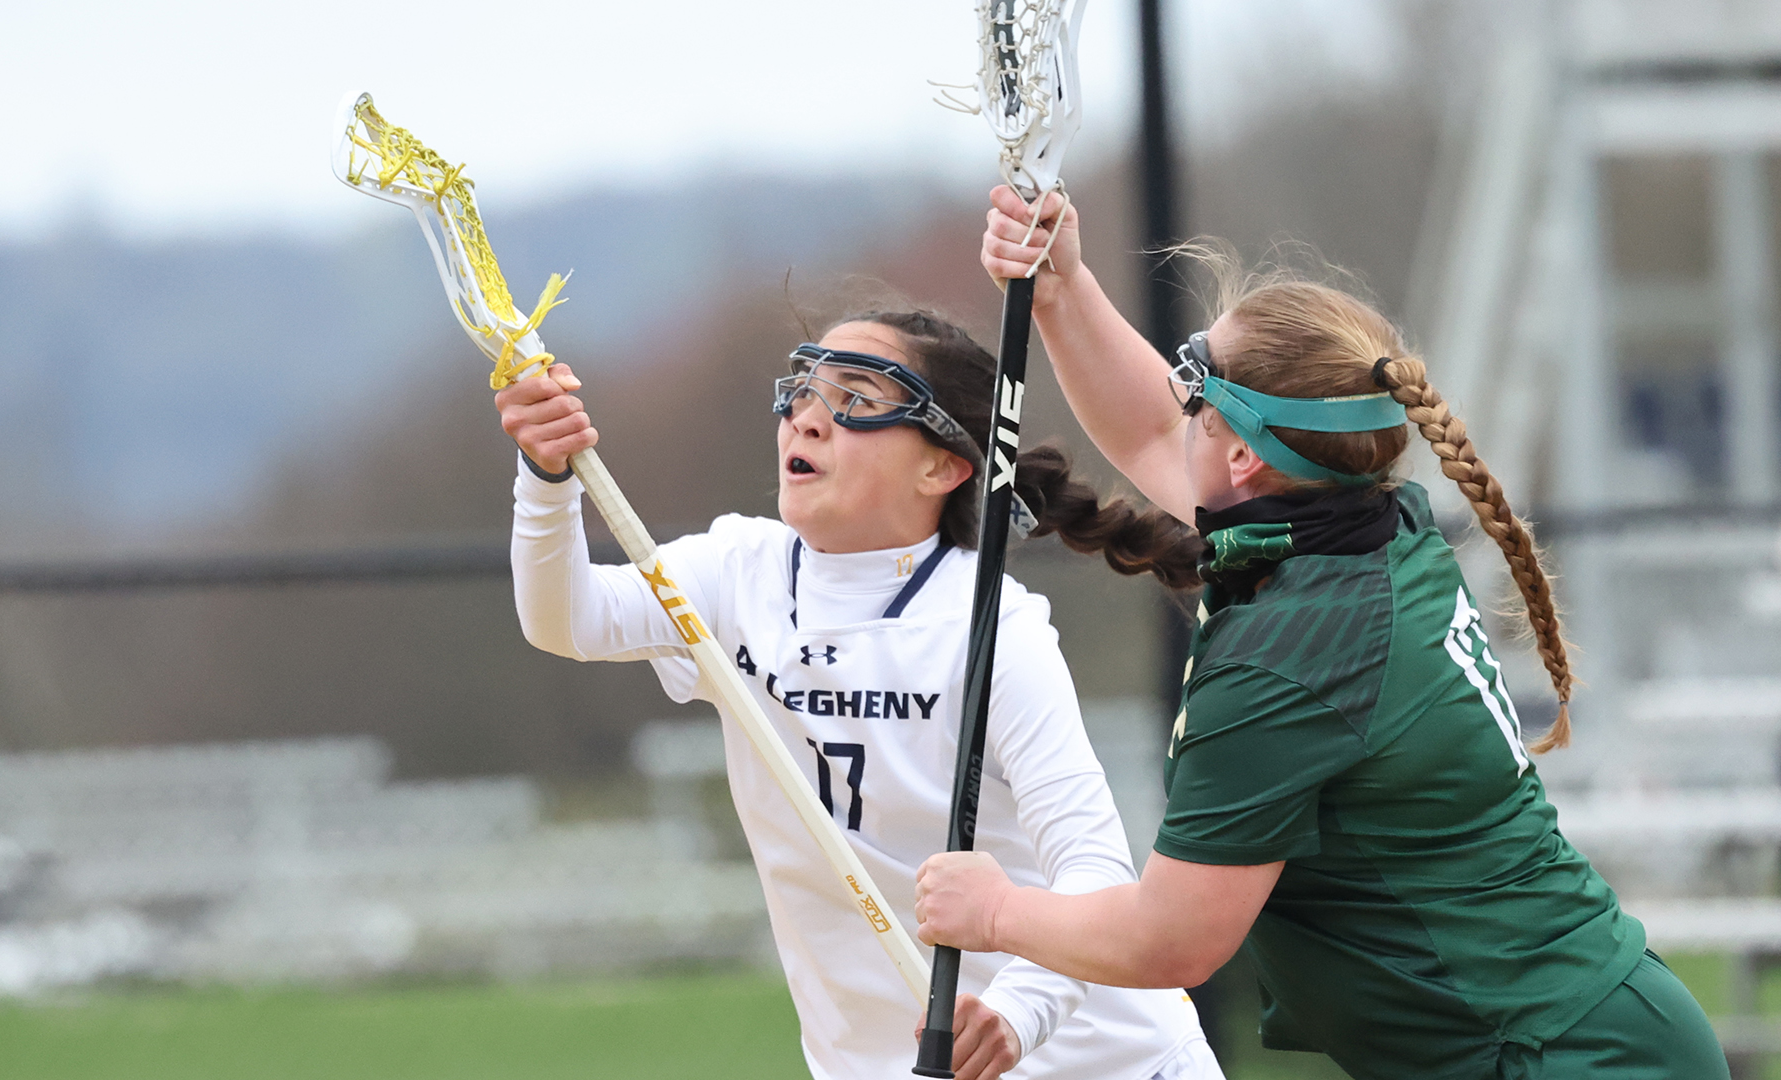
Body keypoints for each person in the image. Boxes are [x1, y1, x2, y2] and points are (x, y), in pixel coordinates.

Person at [912, 188, 1731, 1080]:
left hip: (1563, 1058)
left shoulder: (1293, 650)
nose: (1176, 406)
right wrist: (1064, 287)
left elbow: (1173, 938)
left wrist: (995, 911)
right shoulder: (1370, 527)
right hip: (1587, 1030)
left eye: (1196, 390)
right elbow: (1156, 427)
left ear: (1241, 459)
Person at [497, 309, 1222, 1080]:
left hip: (1109, 1062)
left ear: (943, 469)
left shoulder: (993, 628)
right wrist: (546, 478)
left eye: (857, 401)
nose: (809, 417)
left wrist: (1018, 1014)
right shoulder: (734, 574)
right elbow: (566, 619)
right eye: (804, 389)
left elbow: (1096, 869)